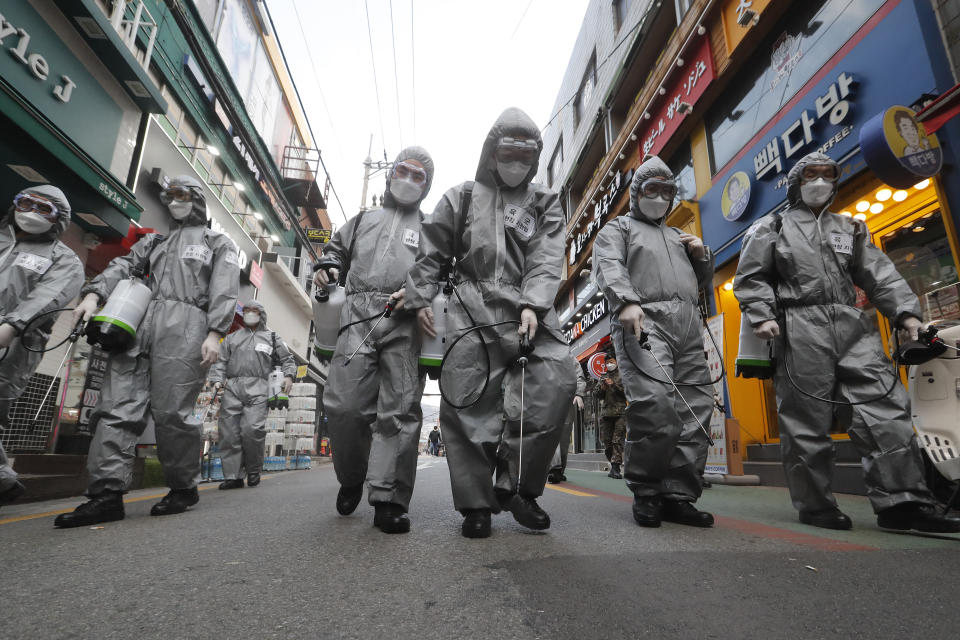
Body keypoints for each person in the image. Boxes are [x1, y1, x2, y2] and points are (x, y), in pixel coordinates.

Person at [734, 151, 960, 533]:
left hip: (852, 323)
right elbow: (751, 276)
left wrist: (906, 316)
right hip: (798, 325)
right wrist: (762, 315)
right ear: (795, 182)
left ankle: (902, 503)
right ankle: (815, 504)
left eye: (827, 175)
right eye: (811, 174)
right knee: (806, 418)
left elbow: (878, 273)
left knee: (885, 408)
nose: (820, 182)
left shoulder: (849, 228)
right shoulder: (771, 226)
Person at [406, 108, 576, 538]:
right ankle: (476, 504)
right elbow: (431, 253)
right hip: (470, 303)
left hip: (528, 309)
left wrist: (534, 304)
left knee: (554, 385)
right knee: (468, 400)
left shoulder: (545, 202)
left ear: (536, 157)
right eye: (509, 152)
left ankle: (518, 487)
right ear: (492, 151)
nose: (516, 162)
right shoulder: (461, 196)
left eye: (526, 154)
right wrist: (419, 297)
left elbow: (546, 256)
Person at [55, 176, 239, 528]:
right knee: (115, 409)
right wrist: (94, 293)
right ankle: (106, 494)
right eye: (169, 196)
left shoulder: (218, 243)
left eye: (182, 195)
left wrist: (215, 332)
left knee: (173, 413)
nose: (174, 201)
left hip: (187, 329)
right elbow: (123, 266)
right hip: (138, 327)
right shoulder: (154, 242)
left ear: (197, 199)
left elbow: (225, 288)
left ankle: (183, 485)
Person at [317, 146, 434, 535]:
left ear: (427, 184)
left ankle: (389, 498)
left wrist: (416, 293)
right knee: (343, 404)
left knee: (398, 410)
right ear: (390, 174)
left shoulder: (431, 229)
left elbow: (437, 270)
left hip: (405, 319)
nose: (408, 180)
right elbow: (334, 251)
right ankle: (352, 475)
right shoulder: (362, 219)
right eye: (403, 171)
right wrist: (329, 267)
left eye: (418, 176)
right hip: (356, 313)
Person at [593, 155, 715, 529]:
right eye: (652, 189)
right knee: (655, 402)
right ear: (637, 193)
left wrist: (702, 258)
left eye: (667, 191)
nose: (660, 197)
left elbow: (700, 285)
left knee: (695, 408)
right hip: (644, 321)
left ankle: (678, 494)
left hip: (688, 327)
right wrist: (627, 301)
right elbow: (608, 265)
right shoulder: (619, 229)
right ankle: (647, 490)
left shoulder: (679, 237)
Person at [0, 186, 84, 508]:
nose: (32, 211)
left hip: (17, 341)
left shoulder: (65, 260)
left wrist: (14, 325)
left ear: (58, 220)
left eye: (43, 208)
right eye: (26, 203)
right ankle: (4, 481)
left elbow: (48, 296)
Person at [207, 300, 295, 490]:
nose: (249, 314)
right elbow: (221, 361)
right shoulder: (232, 338)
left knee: (252, 430)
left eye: (253, 311)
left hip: (260, 386)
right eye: (246, 311)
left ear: (261, 314)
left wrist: (288, 376)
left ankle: (254, 470)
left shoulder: (272, 337)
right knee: (229, 432)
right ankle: (233, 476)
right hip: (233, 387)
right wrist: (217, 379)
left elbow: (288, 359)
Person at [548, 357, 586, 483]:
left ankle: (560, 470)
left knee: (564, 439)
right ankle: (554, 469)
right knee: (552, 437)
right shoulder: (543, 354)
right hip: (548, 402)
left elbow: (579, 376)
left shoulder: (569, 357)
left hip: (567, 402)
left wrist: (579, 394)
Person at [594, 352, 627, 480]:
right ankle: (613, 463)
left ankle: (615, 467)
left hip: (620, 412)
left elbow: (627, 392)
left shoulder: (623, 374)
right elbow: (596, 395)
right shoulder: (603, 376)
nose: (609, 364)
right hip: (606, 413)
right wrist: (602, 387)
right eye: (607, 362)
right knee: (607, 442)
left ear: (616, 362)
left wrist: (613, 384)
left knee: (617, 441)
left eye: (611, 361)